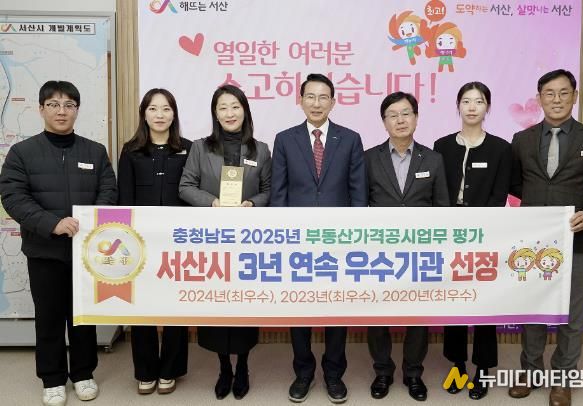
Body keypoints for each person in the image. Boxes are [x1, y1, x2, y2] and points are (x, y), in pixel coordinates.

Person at [0, 81, 117, 406]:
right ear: (41, 110)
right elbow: (13, 196)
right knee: (49, 317)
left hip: (86, 253)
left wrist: (91, 222)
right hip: (44, 251)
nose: (61, 111)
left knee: (83, 317)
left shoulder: (94, 151)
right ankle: (52, 379)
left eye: (68, 105)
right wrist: (52, 224)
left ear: (77, 110)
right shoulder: (22, 152)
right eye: (53, 104)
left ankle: (83, 374)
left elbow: (108, 190)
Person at [509, 69, 583, 406]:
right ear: (539, 98)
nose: (556, 100)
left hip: (576, 240)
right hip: (533, 241)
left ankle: (563, 379)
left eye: (563, 93)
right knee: (534, 309)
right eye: (549, 93)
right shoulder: (521, 140)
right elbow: (515, 184)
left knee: (571, 313)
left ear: (575, 96)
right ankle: (530, 370)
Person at [270, 73, 367, 404]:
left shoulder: (350, 139)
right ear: (300, 101)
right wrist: (283, 238)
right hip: (297, 242)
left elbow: (357, 192)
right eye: (310, 96)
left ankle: (334, 373)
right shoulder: (285, 139)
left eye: (323, 97)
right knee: (299, 310)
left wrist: (354, 237)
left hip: (338, 242)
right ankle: (303, 372)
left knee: (336, 309)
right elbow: (279, 193)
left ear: (333, 102)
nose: (316, 103)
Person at [179, 84, 271, 400]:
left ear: (244, 111)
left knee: (244, 306)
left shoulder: (261, 149)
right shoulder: (200, 148)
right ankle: (224, 369)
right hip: (213, 240)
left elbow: (270, 190)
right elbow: (185, 186)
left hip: (247, 241)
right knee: (218, 303)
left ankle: (242, 366)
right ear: (215, 114)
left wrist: (253, 203)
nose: (230, 113)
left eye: (235, 106)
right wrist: (212, 203)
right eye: (223, 107)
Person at [364, 91, 449, 402]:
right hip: (379, 252)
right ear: (384, 122)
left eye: (406, 114)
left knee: (418, 315)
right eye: (393, 115)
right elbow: (360, 206)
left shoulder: (434, 159)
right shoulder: (368, 158)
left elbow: (442, 208)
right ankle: (382, 371)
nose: (400, 120)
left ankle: (413, 373)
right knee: (377, 315)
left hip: (420, 251)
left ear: (416, 118)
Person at [433, 81, 511, 400]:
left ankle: (483, 369)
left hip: (485, 234)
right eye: (466, 101)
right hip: (450, 234)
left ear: (487, 107)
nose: (472, 107)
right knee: (455, 302)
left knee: (483, 304)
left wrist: (478, 227)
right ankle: (457, 366)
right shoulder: (442, 146)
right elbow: (438, 191)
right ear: (458, 106)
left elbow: (499, 194)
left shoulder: (501, 148)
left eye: (478, 101)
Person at [117, 88, 192, 396]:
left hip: (178, 242)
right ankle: (146, 370)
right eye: (153, 109)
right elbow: (124, 198)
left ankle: (170, 369)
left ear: (174, 114)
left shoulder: (188, 148)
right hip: (141, 242)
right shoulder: (131, 150)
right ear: (144, 114)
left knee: (176, 306)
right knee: (142, 306)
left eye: (166, 109)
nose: (160, 115)